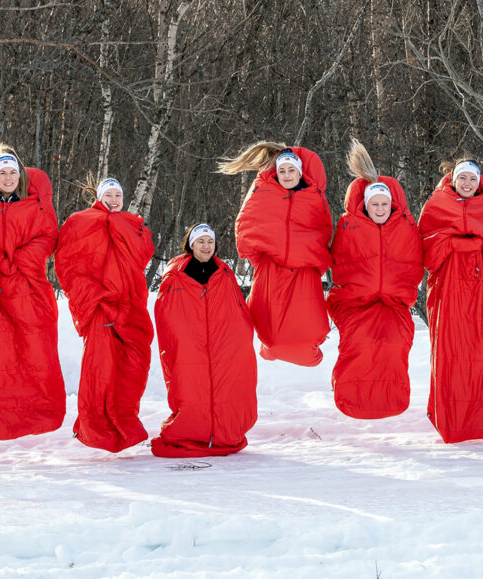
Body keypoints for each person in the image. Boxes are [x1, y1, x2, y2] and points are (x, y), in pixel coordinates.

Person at [0, 144, 65, 439]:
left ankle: (42, 417)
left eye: (12, 172)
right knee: (1, 355)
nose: (8, 178)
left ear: (20, 175)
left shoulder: (34, 203)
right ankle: (7, 422)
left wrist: (22, 260)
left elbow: (48, 234)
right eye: (2, 173)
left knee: (37, 351)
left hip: (30, 286)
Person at [54, 177, 154, 452]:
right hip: (99, 307)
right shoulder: (80, 221)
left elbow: (142, 254)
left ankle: (124, 423)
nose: (113, 199)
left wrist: (120, 224)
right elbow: (68, 264)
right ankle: (92, 428)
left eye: (117, 195)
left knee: (133, 365)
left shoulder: (132, 223)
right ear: (99, 197)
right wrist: (93, 296)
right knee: (100, 368)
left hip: (130, 305)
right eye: (108, 194)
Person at [326, 140, 424, 419]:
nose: (380, 208)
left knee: (394, 344)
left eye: (384, 203)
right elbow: (339, 260)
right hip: (356, 302)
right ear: (366, 205)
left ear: (391, 204)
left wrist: (402, 291)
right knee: (361, 343)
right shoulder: (349, 225)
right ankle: (351, 396)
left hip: (393, 302)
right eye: (374, 204)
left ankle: (390, 399)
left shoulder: (405, 226)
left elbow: (414, 262)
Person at [418, 158, 483, 443]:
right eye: (463, 179)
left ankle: (480, 420)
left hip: (477, 289)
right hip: (446, 290)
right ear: (454, 180)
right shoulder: (437, 204)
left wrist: (478, 235)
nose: (468, 184)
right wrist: (462, 242)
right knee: (449, 354)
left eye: (472, 179)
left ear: (479, 181)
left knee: (478, 353)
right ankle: (449, 420)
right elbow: (425, 248)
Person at [218, 142, 332, 366]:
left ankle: (307, 355)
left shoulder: (313, 197)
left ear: (300, 172)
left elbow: (322, 231)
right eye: (282, 171)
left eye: (292, 170)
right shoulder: (265, 192)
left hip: (304, 271)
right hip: (271, 269)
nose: (287, 175)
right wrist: (260, 256)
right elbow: (247, 224)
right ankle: (269, 347)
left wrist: (310, 254)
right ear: (276, 172)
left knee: (309, 328)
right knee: (268, 328)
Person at [152, 224, 258, 457]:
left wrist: (239, 339)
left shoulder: (225, 273)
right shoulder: (175, 275)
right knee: (191, 389)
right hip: (190, 345)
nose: (206, 246)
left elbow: (237, 311)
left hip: (223, 345)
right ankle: (193, 432)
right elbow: (165, 313)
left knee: (226, 389)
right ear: (191, 245)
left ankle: (223, 434)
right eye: (200, 241)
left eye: (210, 242)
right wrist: (181, 338)